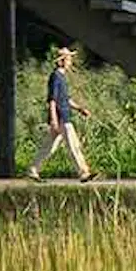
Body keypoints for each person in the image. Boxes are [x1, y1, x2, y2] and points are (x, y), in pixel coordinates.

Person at [35, 44, 94, 180]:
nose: (70, 62)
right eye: (68, 59)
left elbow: (66, 99)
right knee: (73, 144)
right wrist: (54, 119)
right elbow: (52, 100)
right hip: (62, 117)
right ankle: (83, 172)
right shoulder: (56, 77)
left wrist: (80, 109)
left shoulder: (61, 77)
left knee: (49, 147)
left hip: (64, 115)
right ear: (61, 61)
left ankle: (33, 169)